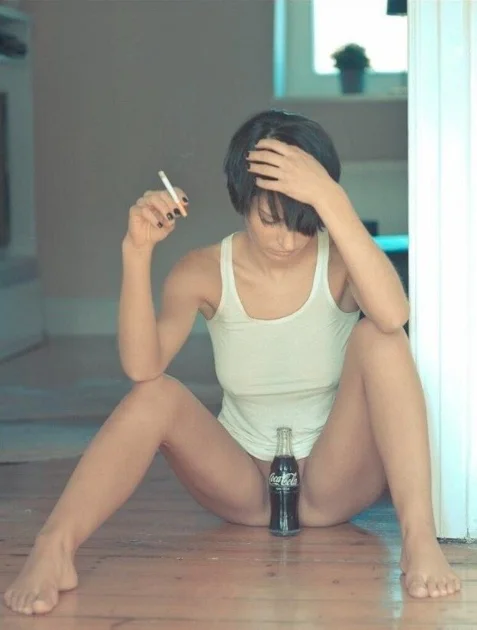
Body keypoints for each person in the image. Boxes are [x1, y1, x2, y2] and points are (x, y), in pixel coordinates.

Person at [4, 109, 460, 616]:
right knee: (155, 394)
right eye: (271, 221)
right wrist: (136, 253)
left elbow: (393, 315)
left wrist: (331, 200)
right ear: (242, 201)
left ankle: (419, 540)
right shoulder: (202, 271)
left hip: (334, 481)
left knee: (382, 339)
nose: (288, 240)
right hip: (243, 485)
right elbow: (141, 367)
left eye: (303, 222)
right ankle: (54, 547)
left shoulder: (340, 261)